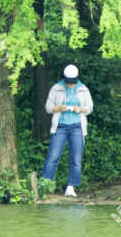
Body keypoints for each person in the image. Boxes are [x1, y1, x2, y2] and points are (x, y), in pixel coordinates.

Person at [40, 64, 93, 198]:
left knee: (76, 159)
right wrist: (59, 108)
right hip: (60, 127)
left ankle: (70, 187)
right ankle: (45, 185)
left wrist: (80, 109)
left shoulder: (83, 89)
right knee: (53, 156)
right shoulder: (56, 88)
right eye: (68, 81)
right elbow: (48, 107)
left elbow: (89, 107)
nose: (70, 84)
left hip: (77, 127)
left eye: (72, 82)